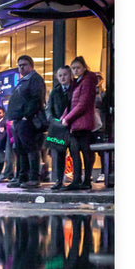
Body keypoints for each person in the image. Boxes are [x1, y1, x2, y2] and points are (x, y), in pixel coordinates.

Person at [61, 55, 102, 191]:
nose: (75, 70)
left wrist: (67, 118)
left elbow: (82, 104)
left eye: (78, 67)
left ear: (84, 67)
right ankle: (77, 180)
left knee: (85, 152)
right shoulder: (77, 82)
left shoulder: (88, 80)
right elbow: (71, 103)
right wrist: (64, 116)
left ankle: (86, 180)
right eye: (73, 68)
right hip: (75, 123)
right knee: (74, 152)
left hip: (83, 123)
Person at [5, 54, 46, 188]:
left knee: (31, 149)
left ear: (31, 66)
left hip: (27, 121)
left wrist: (26, 116)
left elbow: (36, 99)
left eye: (24, 65)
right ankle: (22, 177)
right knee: (21, 150)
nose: (21, 68)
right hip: (18, 121)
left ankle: (34, 177)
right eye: (19, 66)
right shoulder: (22, 81)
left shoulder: (35, 79)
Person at [45, 65, 74, 190]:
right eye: (60, 75)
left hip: (73, 126)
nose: (63, 77)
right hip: (58, 128)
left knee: (75, 153)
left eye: (65, 75)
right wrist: (53, 120)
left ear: (70, 75)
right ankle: (58, 180)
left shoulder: (76, 89)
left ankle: (77, 179)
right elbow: (48, 109)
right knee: (58, 155)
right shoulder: (55, 92)